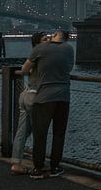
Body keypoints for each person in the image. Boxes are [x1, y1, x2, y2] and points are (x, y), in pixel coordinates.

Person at [22, 29, 74, 179]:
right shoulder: (69, 49)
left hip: (44, 97)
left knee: (40, 134)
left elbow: (25, 69)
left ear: (55, 35)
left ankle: (38, 169)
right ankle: (55, 167)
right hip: (64, 97)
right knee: (59, 133)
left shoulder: (40, 48)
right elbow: (69, 68)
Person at [10, 32, 46, 174]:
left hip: (25, 95)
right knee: (39, 132)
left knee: (22, 132)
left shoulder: (32, 56)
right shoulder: (41, 56)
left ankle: (16, 163)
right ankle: (39, 164)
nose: (48, 42)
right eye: (45, 40)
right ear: (36, 44)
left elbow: (24, 71)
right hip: (35, 97)